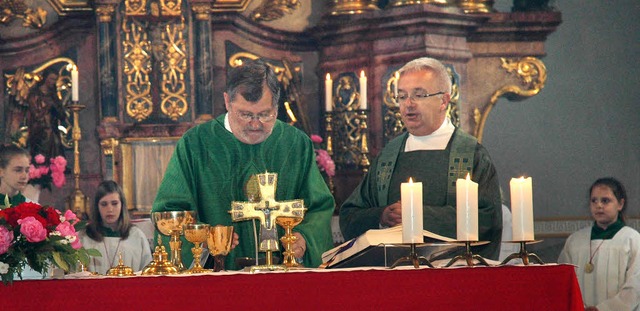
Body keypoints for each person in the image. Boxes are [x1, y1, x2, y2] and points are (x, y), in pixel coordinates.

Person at [152, 59, 334, 270]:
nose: (255, 124)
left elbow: (319, 207)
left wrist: (305, 239)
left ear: (276, 105)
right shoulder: (196, 144)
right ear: (227, 102)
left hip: (284, 281)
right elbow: (170, 210)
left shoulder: (295, 143)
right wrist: (204, 237)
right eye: (246, 115)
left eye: (265, 114)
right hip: (218, 283)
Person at [339, 57, 502, 260]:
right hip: (393, 273)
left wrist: (417, 216)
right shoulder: (388, 156)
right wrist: (382, 215)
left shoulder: (470, 154)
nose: (408, 104)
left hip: (451, 274)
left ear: (443, 100)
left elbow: (488, 220)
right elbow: (349, 216)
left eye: (419, 95)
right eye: (402, 96)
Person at [558, 177, 640, 311]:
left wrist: (602, 309)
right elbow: (564, 281)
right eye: (594, 200)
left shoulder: (632, 239)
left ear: (620, 204)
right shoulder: (575, 241)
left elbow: (636, 286)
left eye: (605, 200)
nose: (599, 205)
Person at [80, 180, 152, 274]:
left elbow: (146, 272)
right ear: (97, 207)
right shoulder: (85, 236)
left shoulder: (136, 236)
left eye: (114, 203)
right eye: (104, 204)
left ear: (122, 205)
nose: (110, 209)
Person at [25, 68, 68, 160]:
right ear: (45, 78)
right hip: (39, 129)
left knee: (56, 146)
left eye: (55, 80)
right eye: (51, 79)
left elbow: (61, 114)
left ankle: (56, 167)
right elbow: (35, 114)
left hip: (52, 128)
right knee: (42, 152)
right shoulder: (35, 93)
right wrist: (47, 106)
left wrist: (56, 107)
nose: (53, 82)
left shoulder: (53, 94)